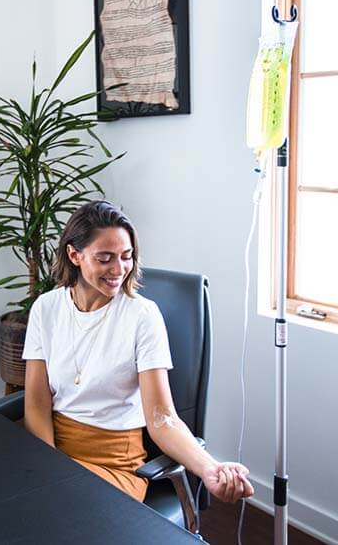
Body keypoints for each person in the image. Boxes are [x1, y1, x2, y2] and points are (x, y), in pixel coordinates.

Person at [23, 200, 254, 504]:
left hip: (115, 463)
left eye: (126, 256)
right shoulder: (46, 308)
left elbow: (162, 418)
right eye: (105, 258)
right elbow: (37, 402)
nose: (118, 269)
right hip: (55, 450)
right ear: (75, 255)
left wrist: (209, 468)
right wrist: (49, 463)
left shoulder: (142, 316)